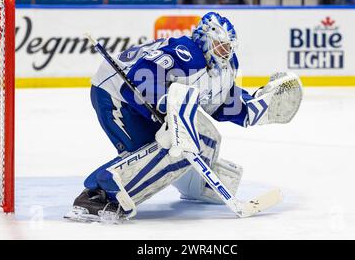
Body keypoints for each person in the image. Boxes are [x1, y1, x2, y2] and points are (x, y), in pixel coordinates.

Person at [65, 12, 302, 222]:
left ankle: (196, 186)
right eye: (220, 46)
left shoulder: (228, 66)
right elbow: (141, 77)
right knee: (166, 149)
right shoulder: (187, 52)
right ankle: (98, 193)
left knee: (206, 137)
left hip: (145, 102)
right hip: (116, 95)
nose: (225, 52)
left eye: (228, 46)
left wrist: (254, 108)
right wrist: (167, 108)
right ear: (205, 40)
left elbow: (219, 103)